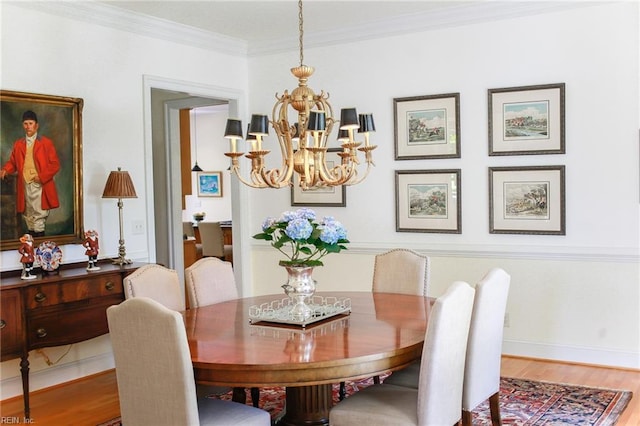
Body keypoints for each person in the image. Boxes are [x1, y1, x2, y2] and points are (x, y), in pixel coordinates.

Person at [0, 110, 61, 237]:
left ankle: (39, 246)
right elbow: (13, 162)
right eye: (26, 123)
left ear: (36, 125)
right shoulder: (18, 144)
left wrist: (42, 176)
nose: (28, 126)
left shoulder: (46, 143)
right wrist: (6, 169)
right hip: (24, 184)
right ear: (23, 125)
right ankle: (30, 246)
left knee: (39, 214)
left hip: (40, 184)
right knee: (28, 213)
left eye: (31, 123)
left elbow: (55, 164)